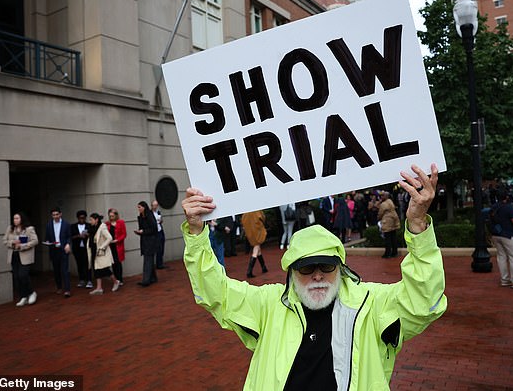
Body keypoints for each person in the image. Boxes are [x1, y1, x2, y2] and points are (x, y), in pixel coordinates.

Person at [181, 164, 446, 390]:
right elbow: (216, 293)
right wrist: (196, 234)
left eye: (326, 267)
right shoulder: (270, 304)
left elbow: (424, 302)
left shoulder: (370, 304)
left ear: (340, 269)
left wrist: (418, 224)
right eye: (306, 268)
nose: (317, 275)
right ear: (292, 272)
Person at [2, 212, 38, 307]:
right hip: (14, 256)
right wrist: (13, 242)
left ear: (22, 219)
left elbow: (35, 241)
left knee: (23, 275)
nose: (15, 220)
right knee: (17, 277)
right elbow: (4, 241)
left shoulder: (29, 229)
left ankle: (31, 293)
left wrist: (23, 246)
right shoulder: (10, 229)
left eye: (17, 218)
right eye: (14, 218)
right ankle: (23, 296)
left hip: (25, 256)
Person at [87, 213, 120, 295]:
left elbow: (109, 238)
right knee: (97, 270)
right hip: (94, 251)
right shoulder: (92, 227)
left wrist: (102, 247)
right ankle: (99, 288)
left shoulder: (102, 227)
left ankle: (116, 281)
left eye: (91, 219)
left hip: (101, 252)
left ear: (96, 220)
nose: (90, 221)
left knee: (104, 269)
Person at [45, 207, 72, 297]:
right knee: (56, 270)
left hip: (63, 249)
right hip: (54, 250)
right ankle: (59, 287)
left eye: (57, 214)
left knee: (64, 270)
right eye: (53, 215)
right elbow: (47, 237)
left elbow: (69, 236)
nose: (55, 216)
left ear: (60, 214)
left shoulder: (66, 224)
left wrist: (68, 244)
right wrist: (47, 242)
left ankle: (67, 290)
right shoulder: (49, 225)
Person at [135, 201, 159, 287]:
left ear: (144, 207)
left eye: (139, 207)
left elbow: (154, 228)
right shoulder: (141, 217)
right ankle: (152, 277)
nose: (138, 209)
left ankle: (146, 280)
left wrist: (143, 231)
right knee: (149, 259)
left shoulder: (149, 216)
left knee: (148, 259)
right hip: (145, 240)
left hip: (151, 240)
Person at [241, 210, 268, 278]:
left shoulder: (245, 212)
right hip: (257, 230)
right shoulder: (256, 211)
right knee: (256, 250)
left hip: (250, 231)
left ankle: (263, 267)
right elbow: (262, 217)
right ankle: (249, 271)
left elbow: (243, 220)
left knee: (258, 249)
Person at [70, 210, 91, 288]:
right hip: (77, 249)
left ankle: (89, 280)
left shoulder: (89, 226)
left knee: (87, 264)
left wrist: (87, 235)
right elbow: (70, 237)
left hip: (87, 248)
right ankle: (81, 280)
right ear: (77, 218)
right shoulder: (73, 226)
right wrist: (78, 236)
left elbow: (93, 236)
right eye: (80, 218)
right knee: (79, 264)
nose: (82, 219)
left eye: (83, 218)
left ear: (85, 218)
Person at [106, 208, 127, 285]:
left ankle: (120, 279)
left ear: (116, 215)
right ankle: (116, 279)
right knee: (113, 263)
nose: (111, 218)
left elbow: (124, 234)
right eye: (110, 216)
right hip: (110, 246)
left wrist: (117, 240)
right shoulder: (107, 224)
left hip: (118, 246)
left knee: (118, 262)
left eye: (112, 216)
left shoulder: (121, 222)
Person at [378, 191, 401, 258]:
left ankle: (387, 253)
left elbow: (380, 213)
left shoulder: (384, 204)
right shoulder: (390, 202)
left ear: (386, 196)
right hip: (393, 221)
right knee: (393, 237)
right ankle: (394, 252)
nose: (381, 197)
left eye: (382, 196)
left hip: (386, 222)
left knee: (387, 238)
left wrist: (378, 218)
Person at [151, 200, 166, 269]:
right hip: (155, 232)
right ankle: (158, 264)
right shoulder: (150, 213)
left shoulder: (158, 212)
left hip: (160, 230)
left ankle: (160, 262)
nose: (155, 207)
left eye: (156, 205)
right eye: (154, 205)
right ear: (151, 205)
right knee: (158, 248)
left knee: (162, 247)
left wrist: (161, 221)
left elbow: (161, 220)